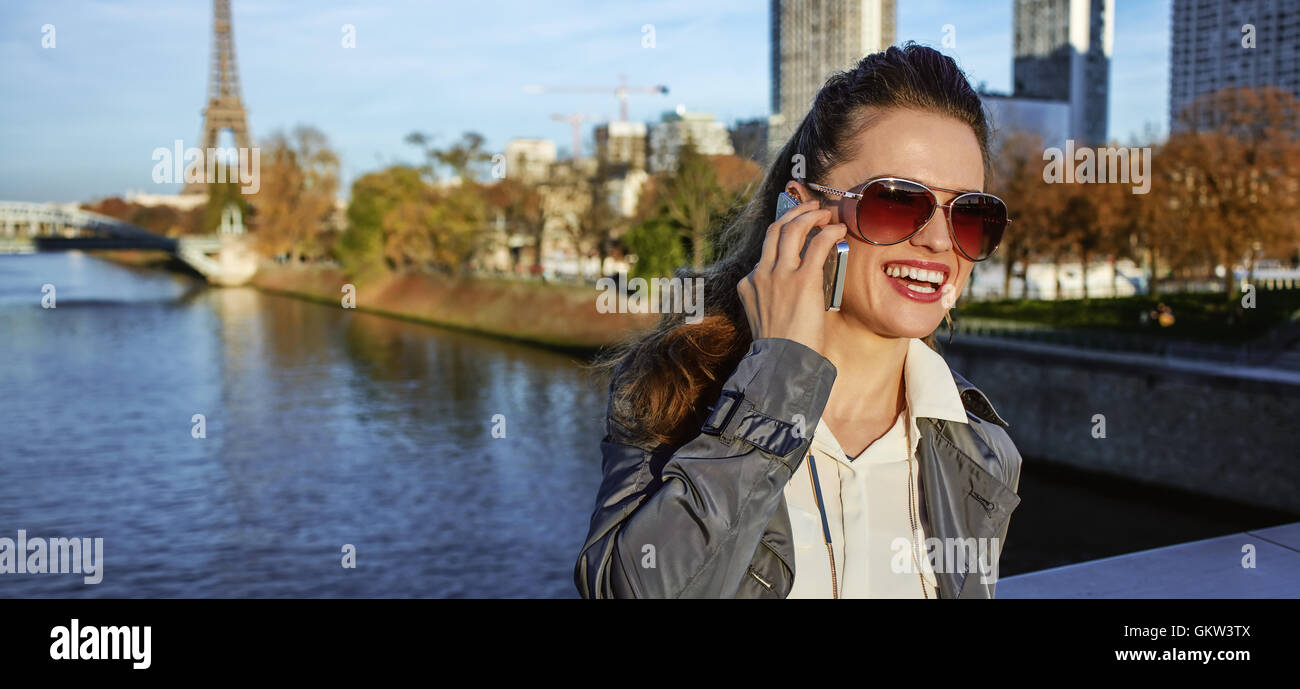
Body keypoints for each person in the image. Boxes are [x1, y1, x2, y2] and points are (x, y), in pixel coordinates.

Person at [574, 42, 1023, 599]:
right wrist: (777, 382)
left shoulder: (980, 446)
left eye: (971, 214)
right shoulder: (675, 392)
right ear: (800, 211)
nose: (937, 239)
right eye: (897, 203)